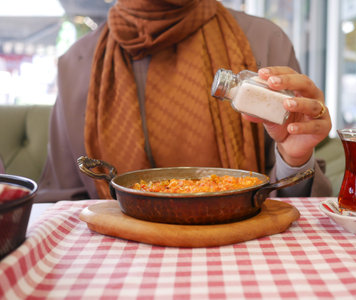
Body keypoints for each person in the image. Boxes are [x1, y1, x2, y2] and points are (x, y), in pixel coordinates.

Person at [35, 0, 332, 202]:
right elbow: (62, 203)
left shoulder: (263, 40)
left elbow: (291, 204)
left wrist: (294, 159)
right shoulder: (76, 64)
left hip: (243, 260)